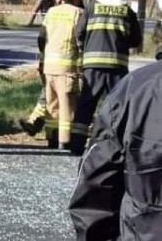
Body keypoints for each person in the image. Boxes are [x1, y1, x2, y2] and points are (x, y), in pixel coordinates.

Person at [68, 62, 162, 239]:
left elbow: (96, 187)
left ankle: (70, 142)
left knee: (85, 105)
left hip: (143, 233)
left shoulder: (136, 87)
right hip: (115, 63)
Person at [69, 0, 142, 156]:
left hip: (92, 66)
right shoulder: (127, 10)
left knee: (86, 104)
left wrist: (85, 47)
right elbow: (135, 40)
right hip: (117, 67)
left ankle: (76, 146)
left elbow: (79, 33)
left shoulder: (92, 6)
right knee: (118, 106)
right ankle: (116, 147)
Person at [16, 0, 71, 146]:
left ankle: (40, 125)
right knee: (49, 96)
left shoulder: (62, 11)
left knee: (53, 97)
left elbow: (42, 38)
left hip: (60, 64)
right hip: (51, 62)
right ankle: (40, 125)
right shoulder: (70, 10)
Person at [39, 0, 84, 150]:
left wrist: (44, 58)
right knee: (67, 105)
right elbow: (80, 39)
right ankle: (64, 142)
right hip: (67, 68)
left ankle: (51, 138)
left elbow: (41, 37)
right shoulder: (78, 13)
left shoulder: (51, 12)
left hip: (49, 66)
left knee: (52, 104)